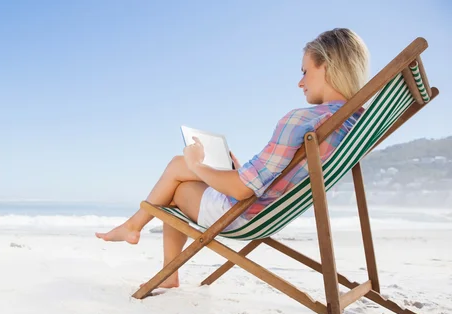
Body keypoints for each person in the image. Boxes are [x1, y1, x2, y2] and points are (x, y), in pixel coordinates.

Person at [96, 28, 370, 289]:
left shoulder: (302, 120)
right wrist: (238, 169)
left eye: (305, 71)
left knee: (178, 172)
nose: (300, 82)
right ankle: (138, 233)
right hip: (271, 211)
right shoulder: (354, 124)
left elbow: (241, 189)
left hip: (245, 214)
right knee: (185, 172)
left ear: (328, 66)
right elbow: (275, 176)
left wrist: (197, 165)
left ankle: (139, 234)